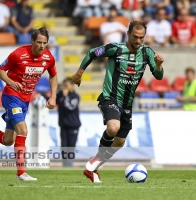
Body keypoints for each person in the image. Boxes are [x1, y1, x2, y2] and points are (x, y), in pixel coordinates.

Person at [71, 20, 164, 183]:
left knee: (120, 142)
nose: (138, 41)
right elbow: (93, 52)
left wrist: (158, 65)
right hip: (110, 98)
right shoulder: (116, 48)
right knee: (113, 127)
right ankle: (96, 159)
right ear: (128, 34)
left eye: (142, 38)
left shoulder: (146, 52)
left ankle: (93, 169)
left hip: (127, 104)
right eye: (135, 37)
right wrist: (79, 73)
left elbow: (158, 76)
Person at [0, 27, 58, 181]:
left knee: (8, 141)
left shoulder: (48, 58)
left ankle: (9, 118)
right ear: (32, 41)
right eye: (39, 42)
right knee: (23, 130)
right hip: (11, 96)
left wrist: (53, 97)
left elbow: (53, 75)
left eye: (44, 43)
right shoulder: (18, 54)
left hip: (26, 100)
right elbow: (1, 69)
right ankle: (21, 173)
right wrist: (11, 82)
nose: (41, 46)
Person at [56, 77, 81, 167]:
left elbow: (70, 107)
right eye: (63, 86)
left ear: (72, 85)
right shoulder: (60, 95)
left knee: (71, 146)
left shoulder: (75, 97)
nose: (64, 88)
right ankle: (65, 164)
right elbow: (51, 99)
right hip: (63, 125)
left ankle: (69, 165)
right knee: (63, 146)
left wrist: (65, 97)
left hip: (73, 125)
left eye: (66, 86)